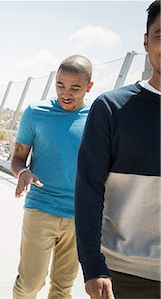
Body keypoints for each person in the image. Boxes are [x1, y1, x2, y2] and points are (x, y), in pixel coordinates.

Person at [75, 1, 160, 298]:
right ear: (146, 42)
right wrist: (92, 265)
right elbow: (88, 192)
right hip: (125, 273)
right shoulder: (111, 108)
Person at [11, 55, 94, 299]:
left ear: (88, 87)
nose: (65, 93)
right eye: (60, 85)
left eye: (75, 88)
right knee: (29, 285)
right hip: (41, 208)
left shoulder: (98, 116)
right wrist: (23, 172)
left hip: (80, 216)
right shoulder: (35, 113)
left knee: (62, 288)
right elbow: (17, 159)